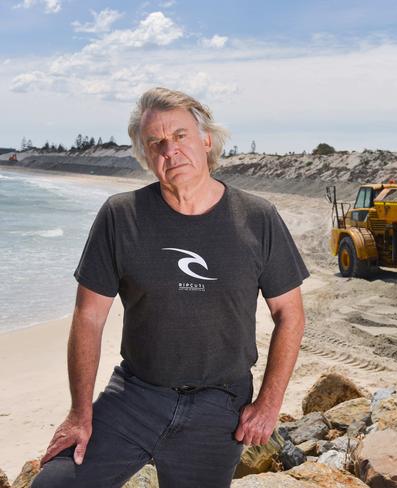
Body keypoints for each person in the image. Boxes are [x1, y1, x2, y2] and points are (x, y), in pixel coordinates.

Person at [32, 87, 309, 487]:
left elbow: (290, 314)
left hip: (222, 404)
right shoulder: (121, 215)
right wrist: (80, 413)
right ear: (146, 156)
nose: (170, 150)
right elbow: (89, 317)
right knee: (53, 484)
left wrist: (268, 403)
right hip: (135, 396)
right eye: (156, 143)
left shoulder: (258, 218)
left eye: (180, 136)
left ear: (206, 140)